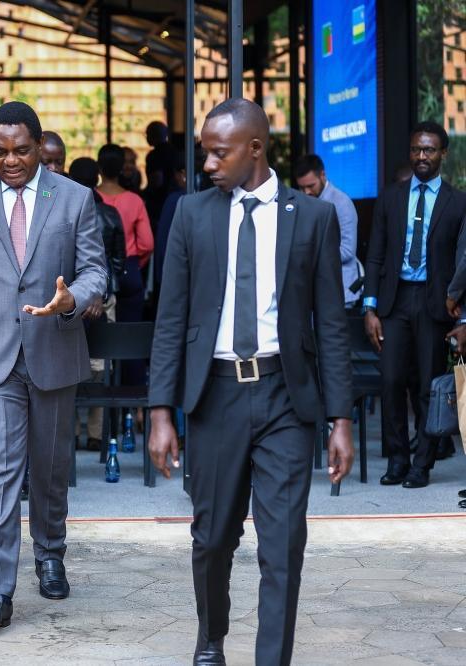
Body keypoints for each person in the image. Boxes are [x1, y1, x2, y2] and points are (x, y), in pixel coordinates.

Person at [148, 98, 354, 665]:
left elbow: (331, 326)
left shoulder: (312, 218)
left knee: (283, 544)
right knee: (212, 537)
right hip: (214, 395)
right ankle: (211, 637)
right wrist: (161, 412)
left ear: (255, 149)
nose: (208, 164)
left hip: (286, 396)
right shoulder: (192, 214)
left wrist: (341, 419)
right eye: (205, 153)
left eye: (220, 153)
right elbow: (171, 320)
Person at [0, 101, 106, 630]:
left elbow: (96, 272)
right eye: (0, 151)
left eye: (21, 150)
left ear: (39, 146)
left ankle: (50, 552)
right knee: (0, 468)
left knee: (50, 466)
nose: (10, 161)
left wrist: (72, 299)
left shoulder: (74, 198)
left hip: (54, 348)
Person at [363, 121, 466, 489]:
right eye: (416, 149)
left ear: (443, 154)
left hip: (436, 303)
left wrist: (464, 318)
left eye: (429, 150)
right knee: (391, 381)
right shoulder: (391, 197)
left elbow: (464, 261)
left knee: (427, 386)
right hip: (395, 301)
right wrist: (370, 308)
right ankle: (397, 460)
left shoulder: (458, 202)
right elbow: (375, 254)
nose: (422, 156)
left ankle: (422, 464)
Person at [67, 156, 127, 450]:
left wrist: (81, 294)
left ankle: (70, 430)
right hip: (105, 298)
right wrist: (101, 296)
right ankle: (96, 434)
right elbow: (118, 261)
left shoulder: (65, 210)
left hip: (69, 297)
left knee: (66, 363)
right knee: (102, 365)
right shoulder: (110, 214)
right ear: (97, 180)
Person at [97, 143, 153, 384]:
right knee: (131, 337)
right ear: (122, 169)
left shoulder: (90, 198)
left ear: (99, 168)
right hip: (128, 270)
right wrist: (135, 265)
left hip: (97, 271)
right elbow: (147, 243)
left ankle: (101, 392)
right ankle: (134, 398)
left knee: (99, 338)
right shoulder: (135, 200)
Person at [294, 153, 361, 306]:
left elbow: (347, 251)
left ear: (323, 175)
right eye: (302, 187)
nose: (306, 192)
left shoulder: (342, 203)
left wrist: (308, 254)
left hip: (341, 292)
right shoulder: (302, 202)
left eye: (311, 186)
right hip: (313, 292)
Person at [152, 153, 188, 296]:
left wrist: (160, 277)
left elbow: (162, 242)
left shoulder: (175, 200)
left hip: (176, 274)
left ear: (182, 174)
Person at [143, 120, 179, 223]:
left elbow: (157, 180)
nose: (146, 137)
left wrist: (144, 194)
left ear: (153, 135)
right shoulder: (174, 151)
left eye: (147, 134)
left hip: (158, 202)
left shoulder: (154, 155)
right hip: (175, 197)